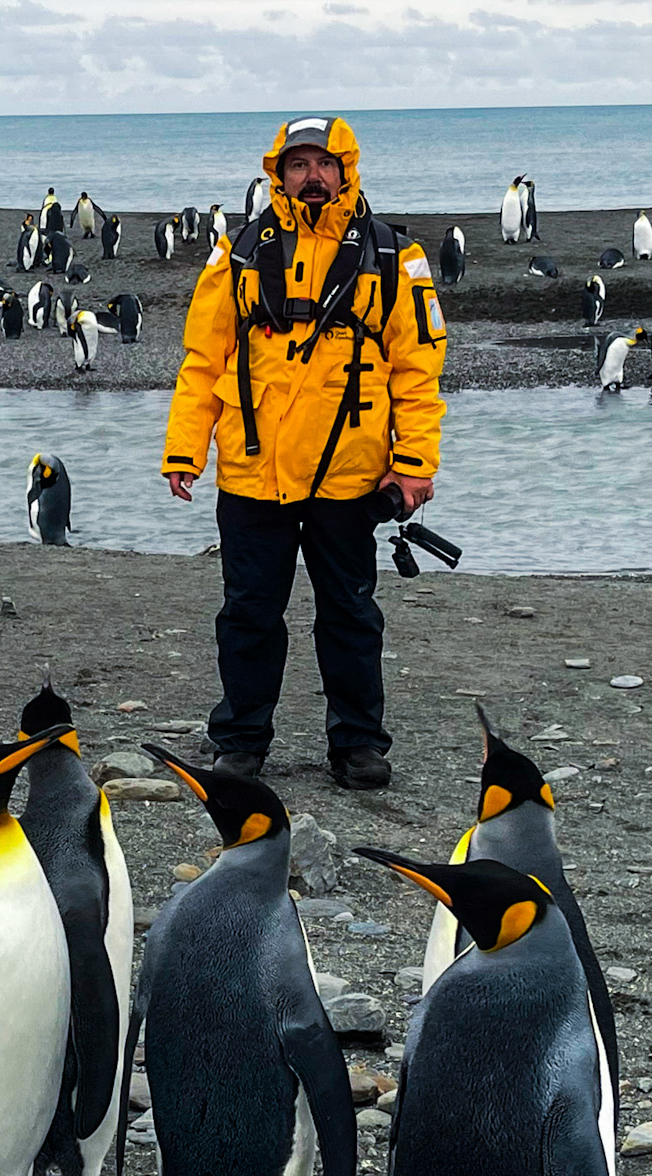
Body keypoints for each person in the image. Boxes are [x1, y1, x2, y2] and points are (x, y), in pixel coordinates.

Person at [161, 115, 445, 791]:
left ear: (345, 169)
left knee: (349, 614)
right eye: (298, 165)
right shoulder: (237, 252)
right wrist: (183, 450)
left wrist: (415, 464)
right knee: (248, 614)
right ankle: (240, 741)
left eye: (323, 164)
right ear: (277, 173)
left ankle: (359, 745)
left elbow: (417, 366)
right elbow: (204, 360)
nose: (311, 176)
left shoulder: (392, 255)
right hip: (253, 471)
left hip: (349, 474)